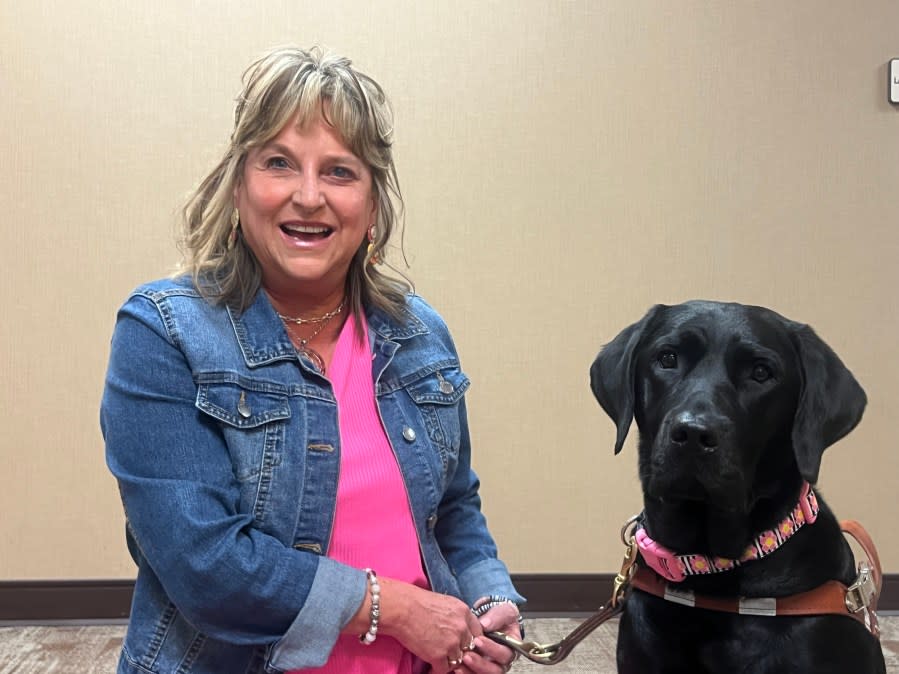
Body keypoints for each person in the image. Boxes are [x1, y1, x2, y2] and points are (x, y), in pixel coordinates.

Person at [101, 46, 524, 674]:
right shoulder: (164, 332)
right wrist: (397, 608)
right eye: (279, 163)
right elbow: (206, 565)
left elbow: (453, 507)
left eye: (339, 171)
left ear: (373, 204)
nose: (308, 196)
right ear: (239, 185)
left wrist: (489, 597)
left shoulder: (419, 333)